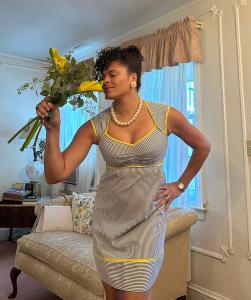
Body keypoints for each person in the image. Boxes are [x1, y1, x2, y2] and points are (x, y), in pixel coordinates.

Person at [35, 45, 211, 300]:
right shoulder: (96, 125)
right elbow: (56, 174)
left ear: (133, 78)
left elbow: (203, 146)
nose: (105, 81)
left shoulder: (165, 115)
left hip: (147, 223)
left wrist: (180, 186)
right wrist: (52, 130)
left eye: (112, 74)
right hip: (108, 225)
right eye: (102, 76)